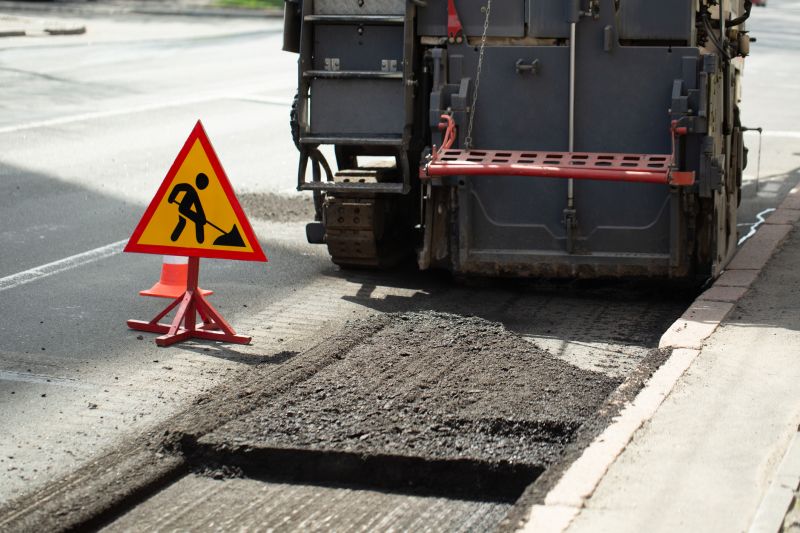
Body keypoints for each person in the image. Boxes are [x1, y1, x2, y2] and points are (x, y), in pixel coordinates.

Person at [168, 173, 209, 243]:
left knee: (200, 220)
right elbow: (177, 187)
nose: (202, 186)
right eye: (202, 183)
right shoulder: (190, 189)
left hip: (184, 209)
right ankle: (174, 238)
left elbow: (198, 206)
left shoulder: (193, 191)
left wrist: (202, 219)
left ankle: (200, 240)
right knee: (186, 221)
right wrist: (171, 197)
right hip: (183, 209)